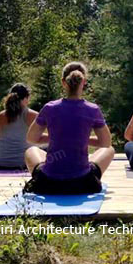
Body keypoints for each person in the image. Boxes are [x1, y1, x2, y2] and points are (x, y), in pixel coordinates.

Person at [24, 62, 115, 194]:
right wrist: (80, 139)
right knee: (110, 150)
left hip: (49, 182)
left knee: (31, 150)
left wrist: (59, 138)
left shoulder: (49, 108)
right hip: (83, 182)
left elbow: (31, 138)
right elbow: (106, 143)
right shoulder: (92, 109)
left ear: (63, 82)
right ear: (83, 82)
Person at [0, 84, 40, 170]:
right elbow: (38, 138)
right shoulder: (33, 115)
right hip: (25, 163)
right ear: (26, 98)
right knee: (44, 148)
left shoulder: (1, 115)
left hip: (0, 163)